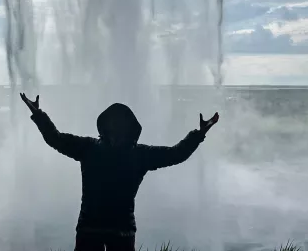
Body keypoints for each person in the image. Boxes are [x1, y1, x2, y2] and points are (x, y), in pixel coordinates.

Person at [20, 93, 219, 251]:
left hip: (96, 228)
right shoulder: (138, 154)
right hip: (116, 230)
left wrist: (38, 114)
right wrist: (199, 134)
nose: (116, 131)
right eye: (114, 126)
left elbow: (55, 138)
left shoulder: (89, 148)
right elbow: (177, 154)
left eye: (118, 127)